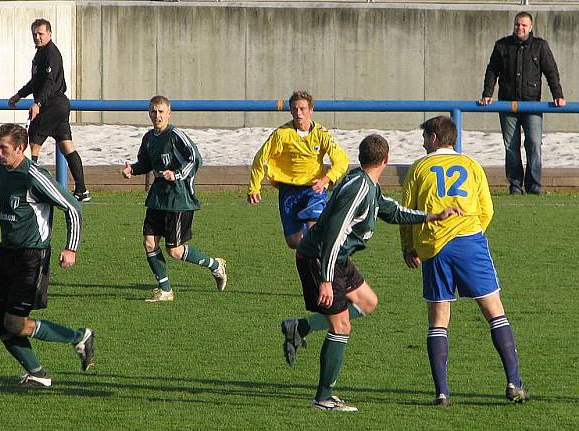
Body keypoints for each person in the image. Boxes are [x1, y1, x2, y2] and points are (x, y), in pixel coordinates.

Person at [280, 134, 462, 412]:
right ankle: (323, 398)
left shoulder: (367, 184)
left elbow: (391, 210)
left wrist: (431, 216)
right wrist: (326, 280)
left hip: (336, 258)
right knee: (341, 326)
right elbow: (334, 234)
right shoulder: (358, 189)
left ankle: (300, 327)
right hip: (320, 258)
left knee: (367, 302)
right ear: (386, 160)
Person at [400, 115, 528, 406]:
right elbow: (487, 209)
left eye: (424, 138)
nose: (422, 143)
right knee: (494, 312)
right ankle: (513, 382)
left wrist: (410, 248)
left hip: (435, 247)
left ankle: (442, 392)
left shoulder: (419, 168)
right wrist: (471, 234)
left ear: (433, 138)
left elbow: (407, 213)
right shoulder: (471, 165)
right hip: (470, 242)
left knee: (439, 320)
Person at [0, 123, 94, 387]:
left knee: (16, 323)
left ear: (20, 148)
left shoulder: (34, 176)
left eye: (3, 148)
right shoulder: (1, 168)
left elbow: (73, 207)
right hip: (6, 252)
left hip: (32, 257)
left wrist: (71, 248)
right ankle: (38, 373)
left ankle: (77, 337)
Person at [121, 95, 228, 302]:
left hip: (179, 199)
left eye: (161, 111)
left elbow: (195, 158)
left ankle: (216, 265)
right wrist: (132, 170)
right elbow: (145, 163)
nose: (157, 115)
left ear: (169, 113)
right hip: (158, 198)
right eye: (153, 111)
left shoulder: (176, 135)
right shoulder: (149, 137)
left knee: (175, 251)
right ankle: (165, 289)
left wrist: (176, 174)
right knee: (149, 242)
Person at [248, 90, 349, 249]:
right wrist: (254, 187)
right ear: (290, 110)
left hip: (314, 187)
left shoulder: (321, 134)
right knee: (294, 242)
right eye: (295, 109)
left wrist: (325, 180)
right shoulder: (282, 134)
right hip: (289, 189)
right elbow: (260, 158)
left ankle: (323, 267)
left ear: (311, 110)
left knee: (313, 232)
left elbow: (342, 160)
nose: (298, 113)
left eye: (302, 109)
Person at [480, 11, 566, 195]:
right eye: (517, 24)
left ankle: (534, 184)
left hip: (532, 104)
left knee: (534, 144)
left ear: (531, 27)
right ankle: (515, 185)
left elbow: (551, 72)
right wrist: (487, 93)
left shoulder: (540, 46)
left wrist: (557, 94)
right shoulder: (502, 46)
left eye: (524, 25)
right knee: (511, 146)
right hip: (507, 104)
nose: (520, 28)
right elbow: (492, 71)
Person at [8, 18, 90, 202]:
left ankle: (28, 188)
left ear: (49, 34)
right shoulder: (40, 54)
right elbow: (36, 82)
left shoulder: (51, 53)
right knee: (67, 145)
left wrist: (38, 103)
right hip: (58, 105)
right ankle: (82, 190)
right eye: (35, 34)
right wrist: (19, 95)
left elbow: (49, 83)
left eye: (41, 34)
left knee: (32, 145)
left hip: (52, 105)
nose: (37, 37)